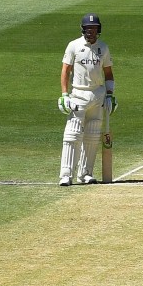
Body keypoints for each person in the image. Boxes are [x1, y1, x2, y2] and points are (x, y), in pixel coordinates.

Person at [57, 13, 116, 186]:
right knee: (72, 134)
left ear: (99, 30)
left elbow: (109, 74)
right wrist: (64, 95)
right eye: (89, 28)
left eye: (95, 28)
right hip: (78, 95)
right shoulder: (73, 46)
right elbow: (65, 71)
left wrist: (110, 95)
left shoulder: (103, 48)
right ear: (83, 29)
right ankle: (66, 175)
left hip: (98, 95)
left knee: (92, 136)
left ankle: (85, 173)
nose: (91, 32)